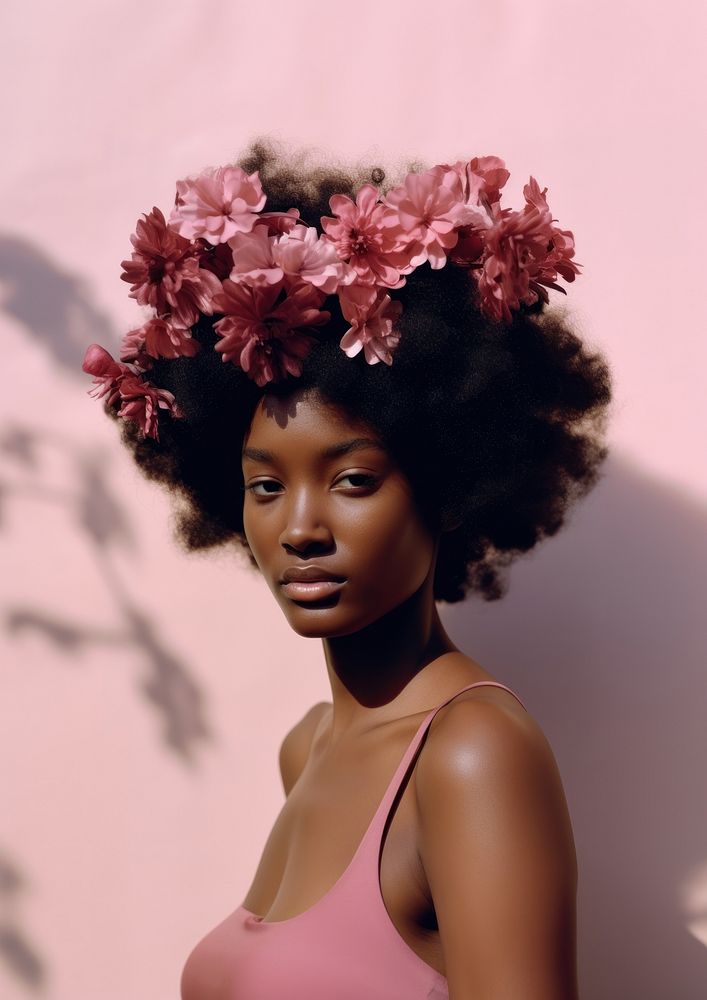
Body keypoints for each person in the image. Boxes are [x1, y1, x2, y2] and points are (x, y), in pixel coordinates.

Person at [82, 139, 612, 999]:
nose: (298, 529)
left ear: (446, 487)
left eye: (353, 480)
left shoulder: (469, 755)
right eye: (263, 485)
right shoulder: (309, 748)